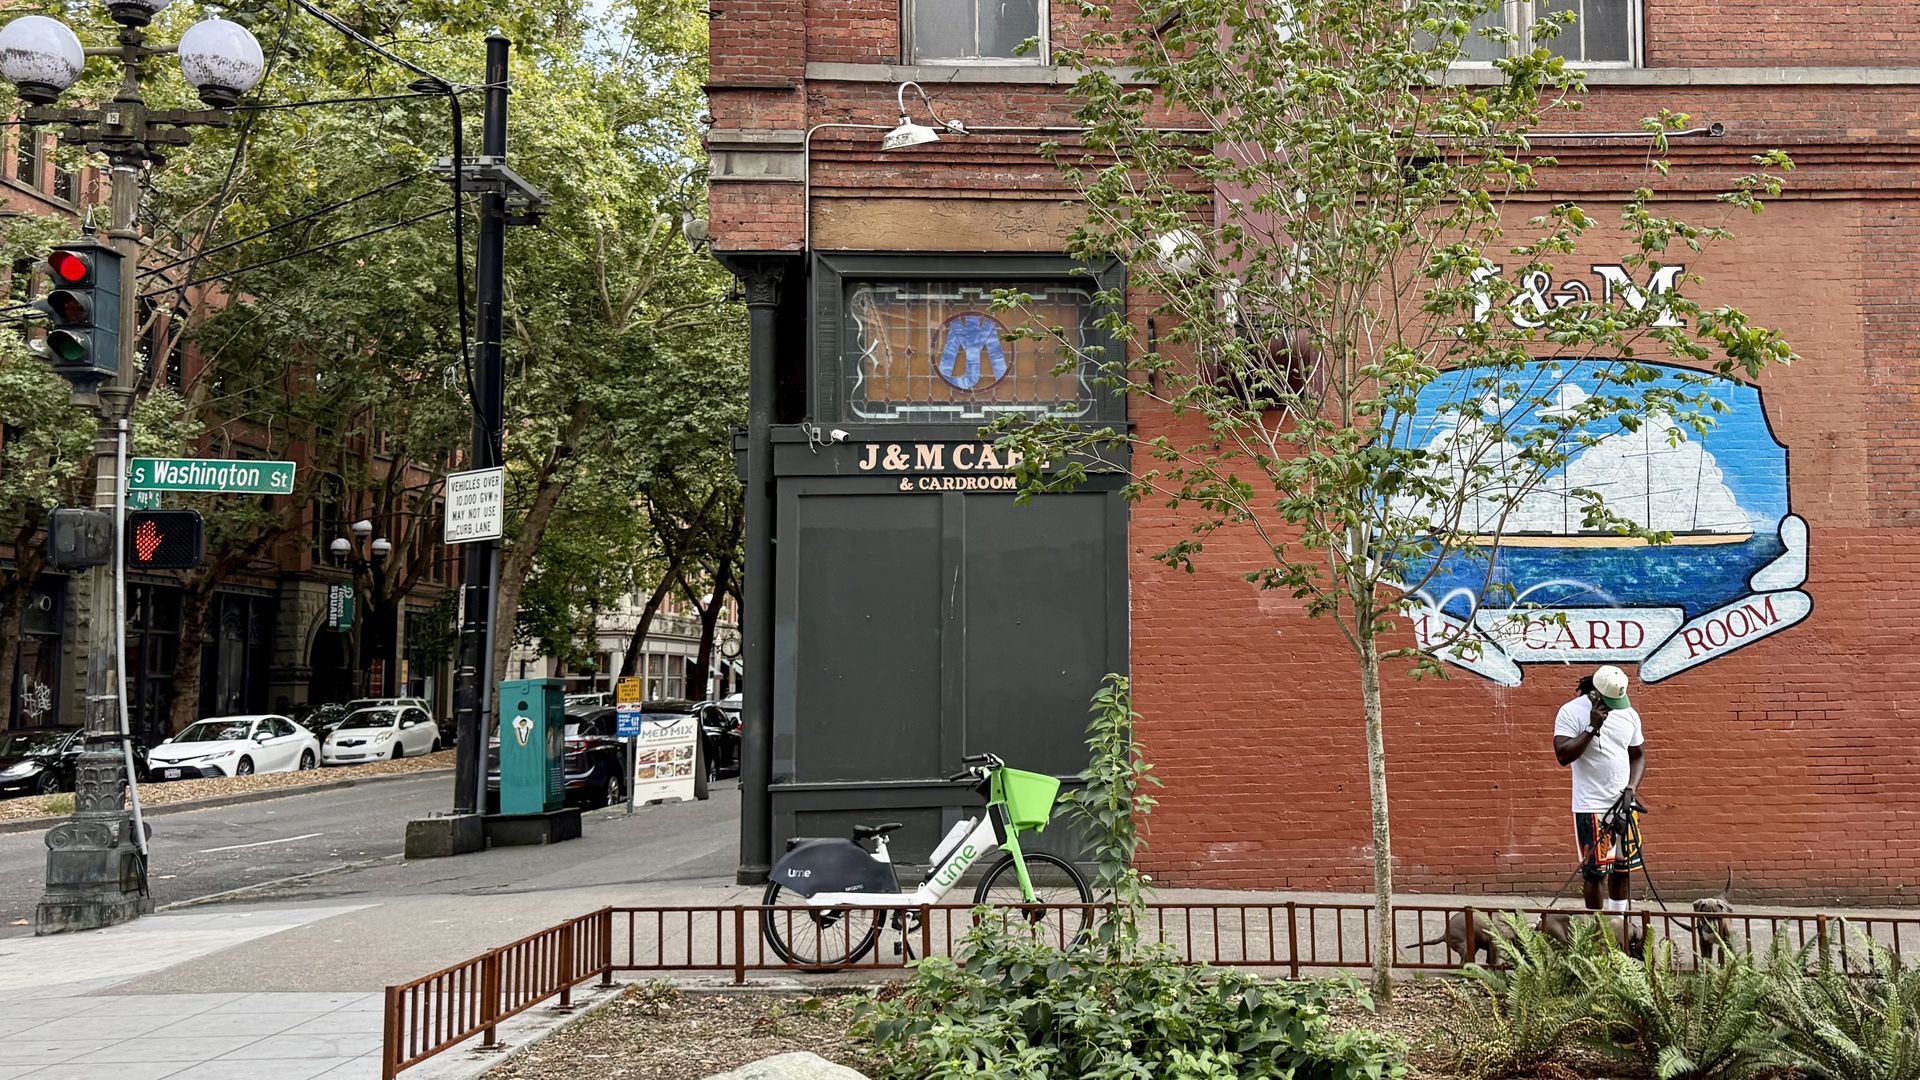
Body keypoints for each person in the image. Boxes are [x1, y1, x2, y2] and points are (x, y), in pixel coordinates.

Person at [1552, 665, 1646, 911]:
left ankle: (1618, 923)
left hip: (1623, 803)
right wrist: (1592, 727)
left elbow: (1638, 754)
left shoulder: (1629, 714)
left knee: (1623, 868)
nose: (1615, 707)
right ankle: (1598, 928)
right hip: (1591, 806)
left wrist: (1631, 788)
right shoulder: (1571, 712)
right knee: (1594, 872)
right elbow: (1563, 755)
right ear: (1595, 694)